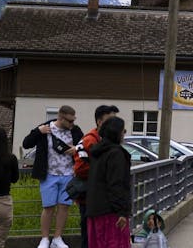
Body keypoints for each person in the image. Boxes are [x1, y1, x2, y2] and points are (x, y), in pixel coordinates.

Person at [22, 105, 83, 248]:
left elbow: (85, 144)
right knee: (48, 207)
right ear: (60, 118)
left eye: (73, 120)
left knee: (64, 206)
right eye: (69, 121)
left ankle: (57, 237)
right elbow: (26, 143)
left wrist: (77, 149)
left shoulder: (75, 130)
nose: (72, 124)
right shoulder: (45, 128)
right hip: (48, 174)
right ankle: (44, 238)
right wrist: (38, 132)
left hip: (68, 174)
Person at [73, 105, 119, 248]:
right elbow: (80, 169)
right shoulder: (89, 141)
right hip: (89, 197)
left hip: (100, 197)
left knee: (99, 235)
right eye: (109, 120)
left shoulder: (104, 140)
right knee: (89, 235)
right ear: (99, 122)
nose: (113, 124)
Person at [85, 116, 131, 248]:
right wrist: (122, 212)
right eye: (123, 131)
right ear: (117, 133)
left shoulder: (97, 152)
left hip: (95, 210)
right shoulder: (116, 153)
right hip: (111, 213)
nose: (124, 134)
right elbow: (116, 184)